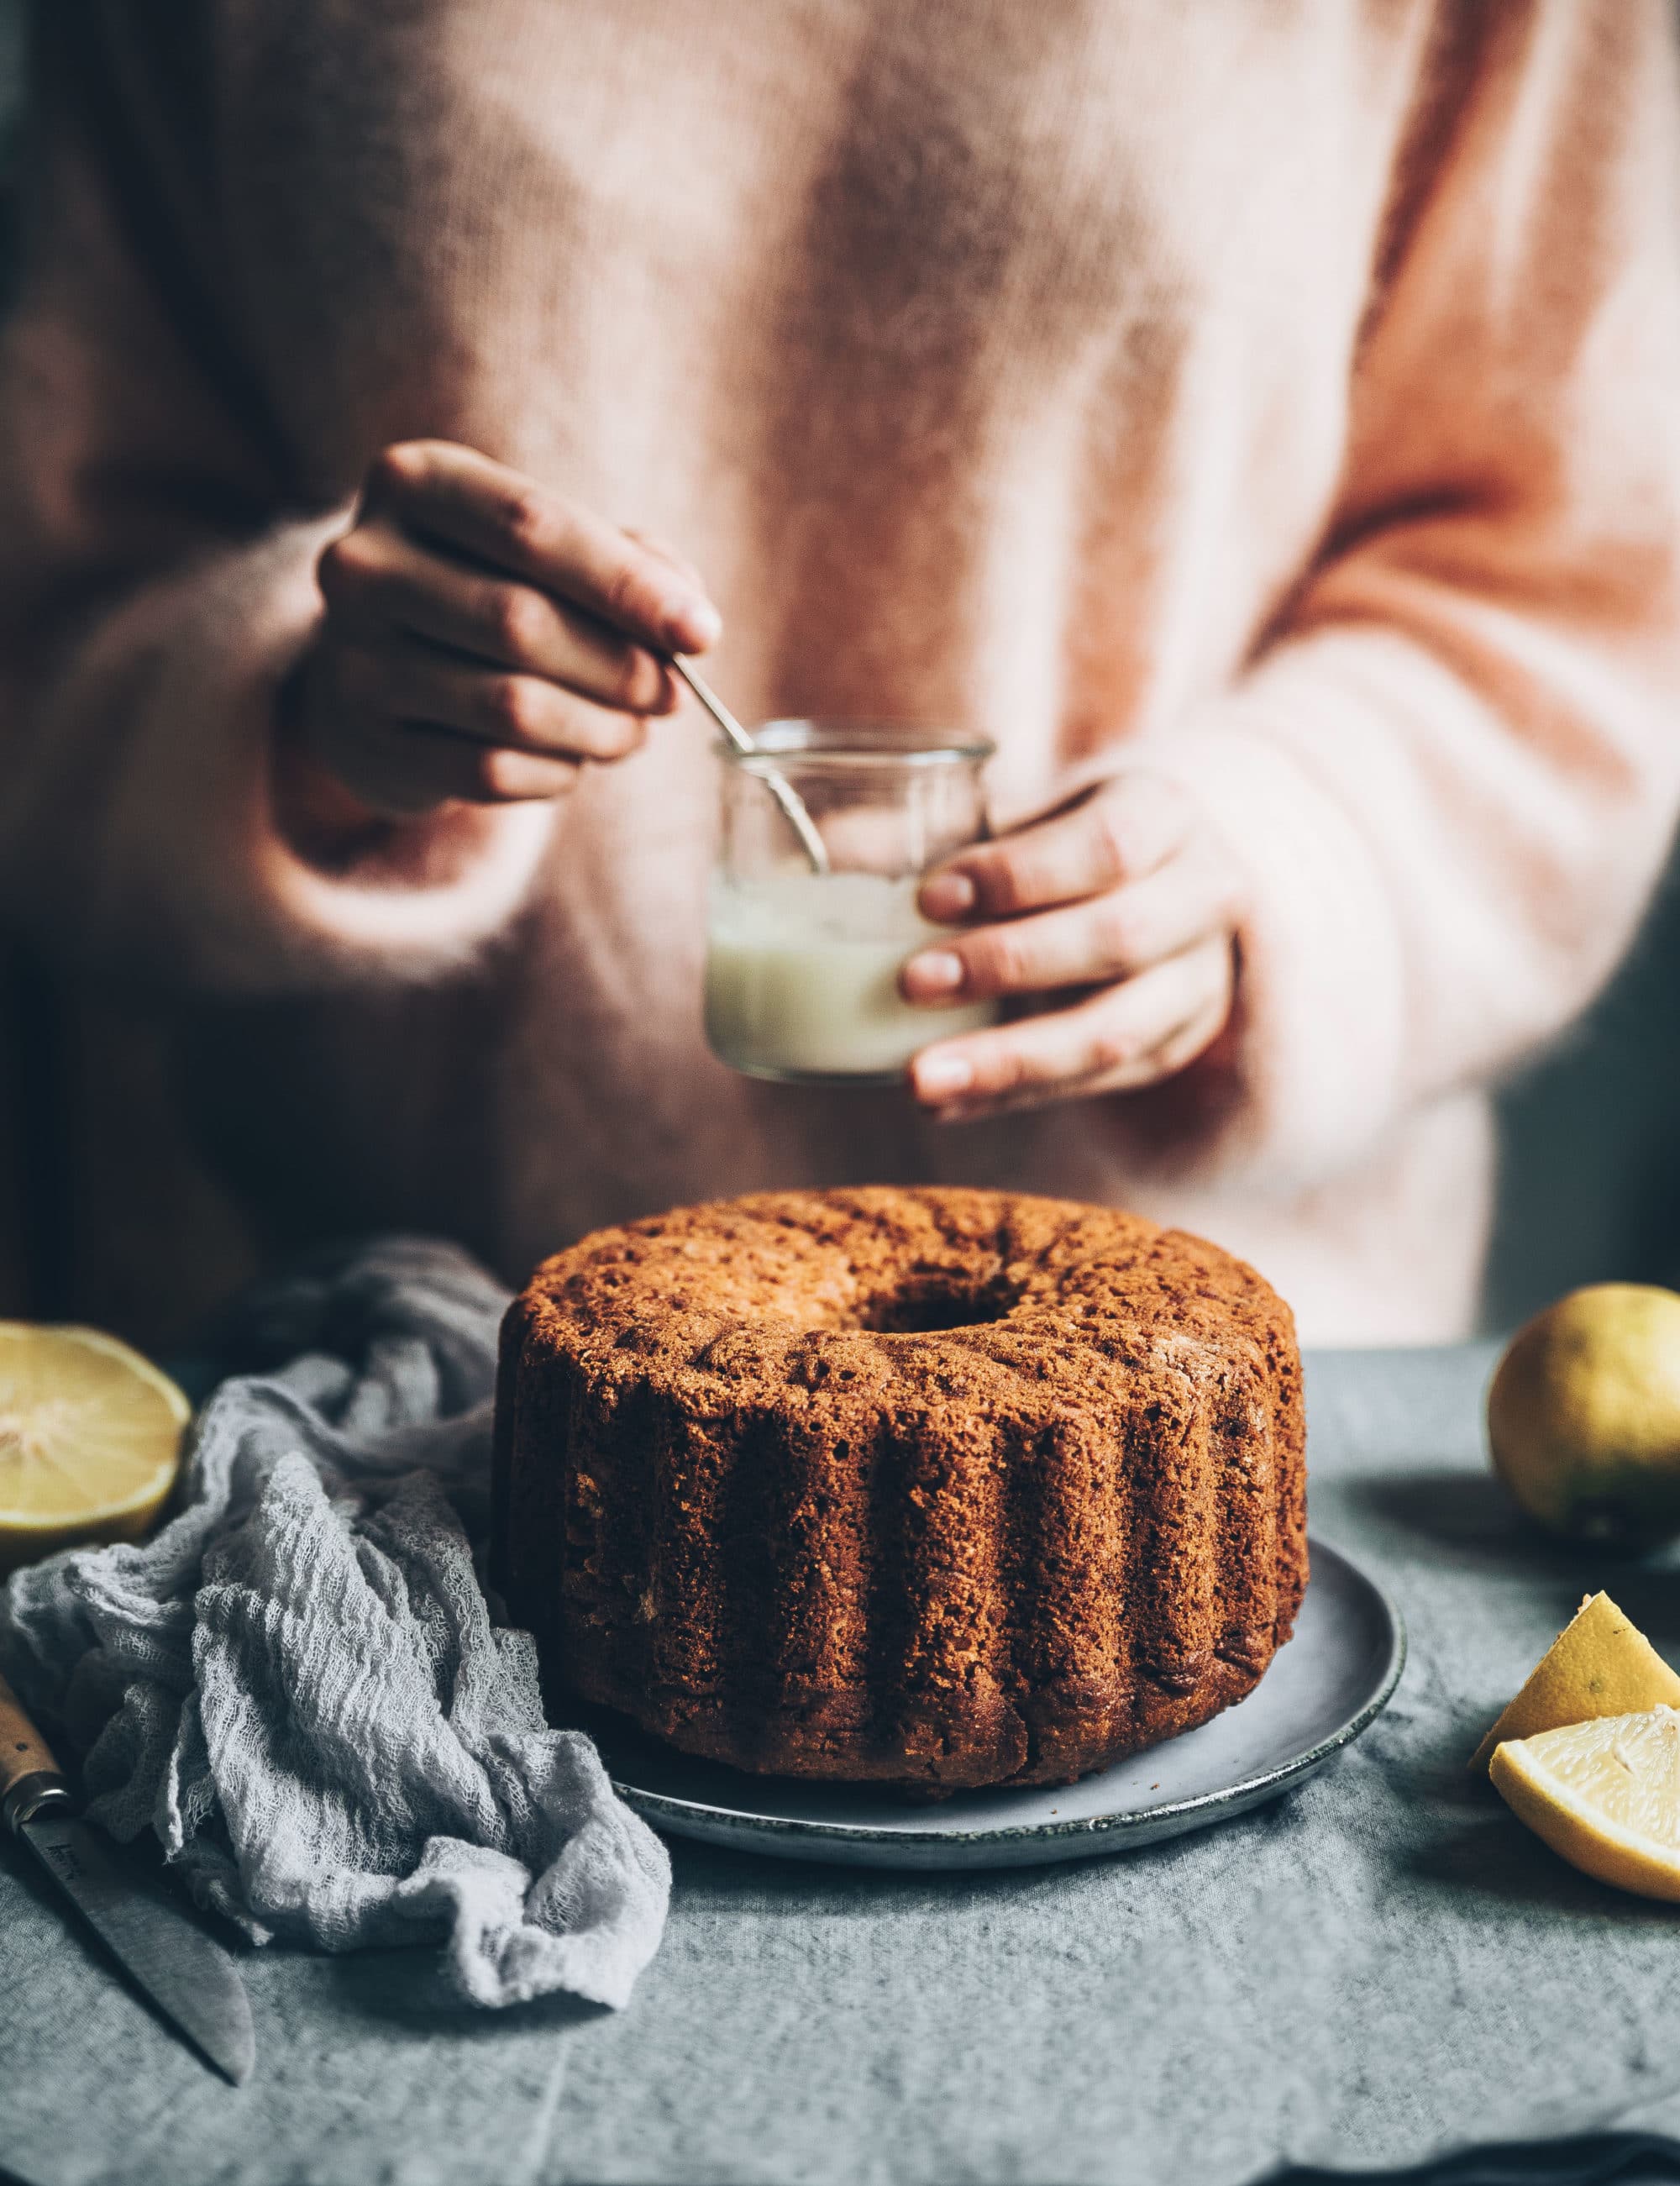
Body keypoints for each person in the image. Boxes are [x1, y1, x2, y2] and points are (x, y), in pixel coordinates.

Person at [2, 0, 1677, 1344]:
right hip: (382, 1370)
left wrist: (1277, 856)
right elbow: (53, 628)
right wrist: (301, 719)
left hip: (1189, 1380)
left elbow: (1575, 591)